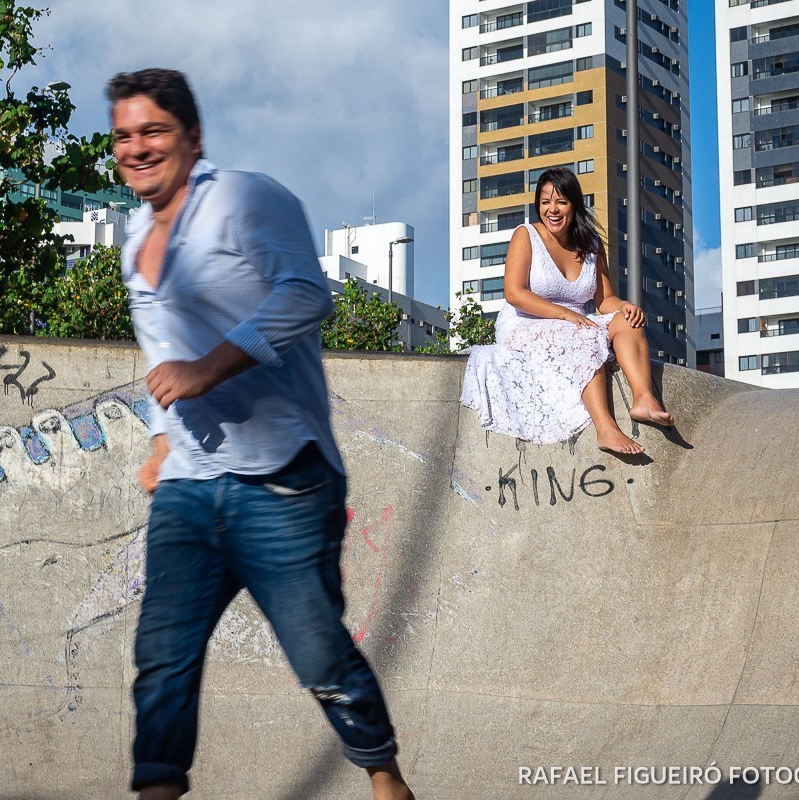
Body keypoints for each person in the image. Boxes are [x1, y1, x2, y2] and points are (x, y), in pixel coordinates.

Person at [108, 68, 414, 800]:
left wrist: (211, 368)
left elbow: (308, 293)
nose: (137, 148)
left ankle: (386, 781)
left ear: (192, 137)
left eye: (153, 131)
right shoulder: (130, 243)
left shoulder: (246, 198)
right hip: (188, 485)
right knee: (162, 659)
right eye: (123, 135)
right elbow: (161, 360)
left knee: (319, 656)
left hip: (282, 477)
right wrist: (160, 441)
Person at [460, 167, 673, 454]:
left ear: (574, 204)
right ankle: (606, 428)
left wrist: (625, 307)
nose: (552, 209)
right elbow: (514, 293)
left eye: (560, 202)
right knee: (585, 335)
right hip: (525, 322)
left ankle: (644, 400)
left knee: (627, 322)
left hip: (575, 322)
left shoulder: (592, 244)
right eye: (546, 202)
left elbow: (605, 298)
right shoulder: (526, 235)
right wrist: (566, 315)